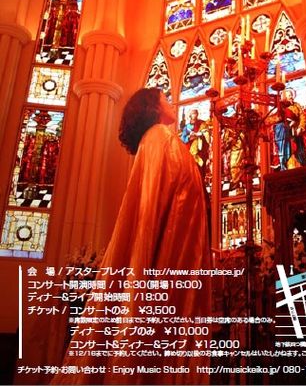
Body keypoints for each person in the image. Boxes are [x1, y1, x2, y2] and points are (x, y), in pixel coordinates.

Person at [55, 88, 211, 384]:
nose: (171, 102)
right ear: (153, 107)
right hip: (167, 257)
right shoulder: (159, 138)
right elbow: (149, 213)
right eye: (165, 98)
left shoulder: (160, 140)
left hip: (175, 251)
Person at [180, 108, 211, 180]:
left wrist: (200, 134)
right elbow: (182, 138)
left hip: (200, 150)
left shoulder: (202, 124)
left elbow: (207, 133)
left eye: (196, 113)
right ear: (190, 115)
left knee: (200, 168)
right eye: (193, 113)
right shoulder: (186, 127)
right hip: (190, 150)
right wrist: (189, 137)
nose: (195, 115)